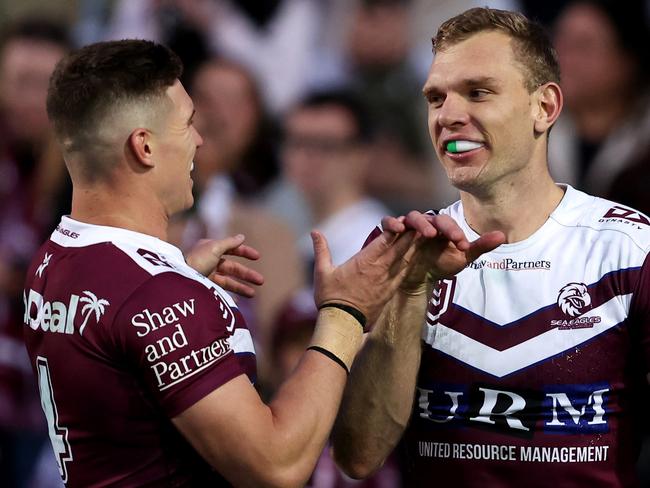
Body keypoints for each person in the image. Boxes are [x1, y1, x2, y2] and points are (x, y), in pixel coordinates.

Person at [22, 39, 426, 487]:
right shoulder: (155, 298)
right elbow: (275, 466)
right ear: (145, 147)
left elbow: (115, 349)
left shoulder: (54, 257)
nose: (199, 140)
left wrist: (178, 279)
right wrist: (344, 314)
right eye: (189, 124)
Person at [331, 7, 650, 487]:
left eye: (478, 93)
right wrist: (411, 293)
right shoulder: (398, 250)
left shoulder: (630, 250)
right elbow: (358, 456)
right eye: (435, 98)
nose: (449, 116)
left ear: (544, 107)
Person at [282, 89, 390, 268]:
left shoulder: (372, 240)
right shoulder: (289, 227)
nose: (308, 158)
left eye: (326, 145)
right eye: (298, 143)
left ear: (361, 155)